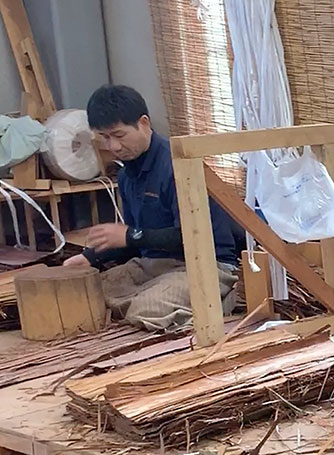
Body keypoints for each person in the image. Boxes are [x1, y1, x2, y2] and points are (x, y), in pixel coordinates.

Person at [64, 85, 238, 331]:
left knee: (147, 308)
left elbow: (193, 237)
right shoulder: (127, 175)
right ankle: (166, 303)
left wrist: (129, 235)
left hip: (207, 263)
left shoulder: (177, 167)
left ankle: (223, 302)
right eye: (104, 137)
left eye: (119, 135)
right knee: (90, 293)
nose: (113, 146)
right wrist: (89, 258)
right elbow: (132, 242)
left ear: (144, 123)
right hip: (155, 265)